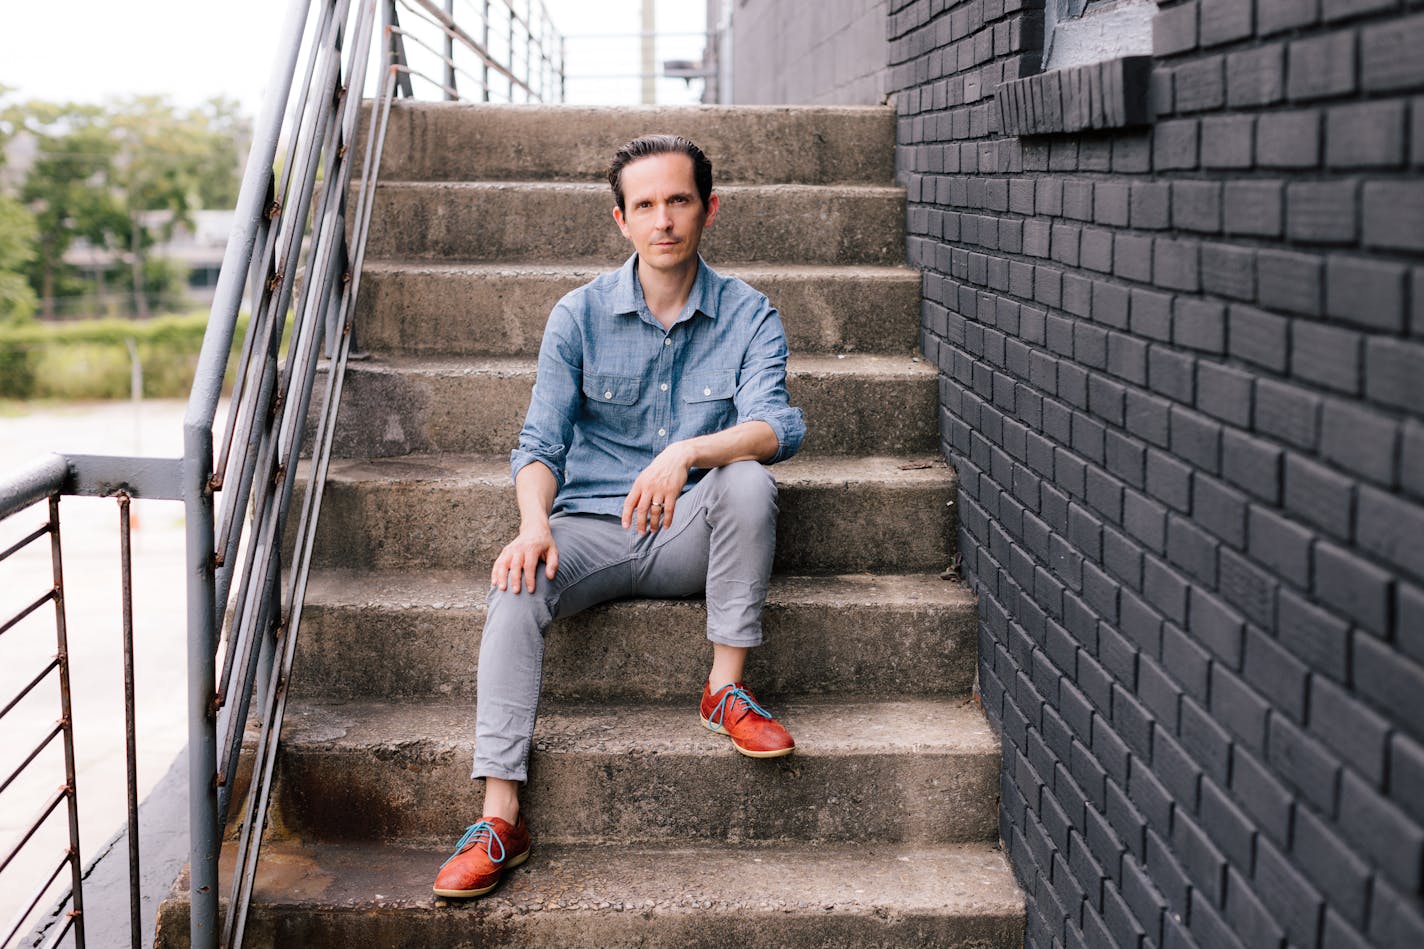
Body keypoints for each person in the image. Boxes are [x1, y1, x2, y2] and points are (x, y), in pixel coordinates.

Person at [432, 134, 807, 899]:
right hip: (593, 529)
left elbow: (778, 427)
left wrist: (687, 454)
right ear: (621, 219)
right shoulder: (578, 315)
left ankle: (723, 690)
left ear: (708, 209)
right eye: (646, 205)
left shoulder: (748, 314)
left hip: (696, 530)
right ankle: (501, 816)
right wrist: (535, 522)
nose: (663, 219)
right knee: (515, 584)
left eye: (679, 200)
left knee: (747, 480)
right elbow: (538, 443)